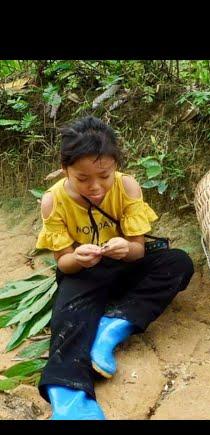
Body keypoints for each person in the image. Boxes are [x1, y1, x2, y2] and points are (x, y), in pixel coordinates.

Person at [35, 116, 194, 419]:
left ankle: (112, 326)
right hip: (83, 273)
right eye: (83, 179)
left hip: (123, 267)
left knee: (178, 263)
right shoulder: (53, 201)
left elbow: (138, 250)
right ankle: (69, 397)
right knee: (68, 318)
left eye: (104, 176)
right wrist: (78, 257)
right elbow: (63, 263)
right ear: (64, 168)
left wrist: (127, 249)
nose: (96, 187)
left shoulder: (128, 187)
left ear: (115, 166)